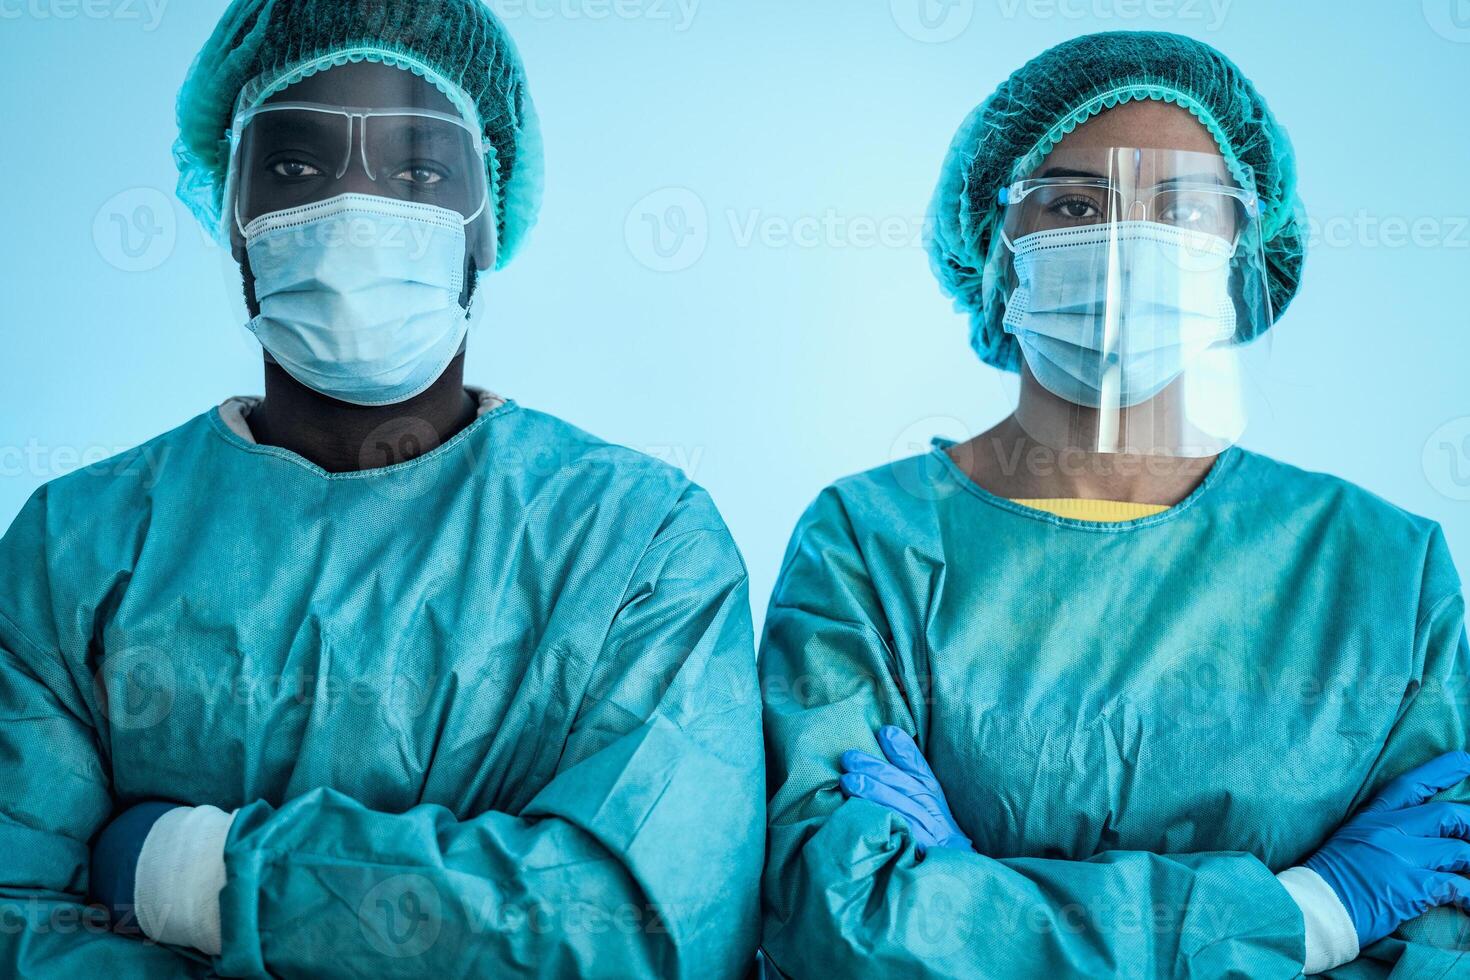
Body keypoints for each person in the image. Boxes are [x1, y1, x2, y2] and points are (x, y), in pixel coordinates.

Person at [0, 1, 762, 976]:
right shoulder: (80, 542)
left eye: (417, 171)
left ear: (489, 219)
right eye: (293, 167)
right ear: (230, 214)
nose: (353, 208)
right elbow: (20, 920)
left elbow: (642, 925)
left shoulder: (640, 542)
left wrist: (185, 873)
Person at [759, 31, 1470, 979]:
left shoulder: (1381, 569)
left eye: (1182, 209)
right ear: (995, 242)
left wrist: (981, 920)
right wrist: (1310, 915)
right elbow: (840, 923)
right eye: (1073, 203)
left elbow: (1435, 941)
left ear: (1242, 247)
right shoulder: (871, 546)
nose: (1129, 243)